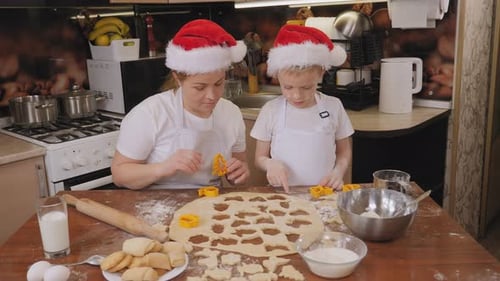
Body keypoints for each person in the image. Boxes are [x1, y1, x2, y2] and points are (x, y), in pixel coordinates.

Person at [111, 19, 250, 190]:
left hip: (210, 202)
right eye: (200, 87)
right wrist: (164, 167)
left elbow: (239, 163)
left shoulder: (231, 113)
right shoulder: (149, 114)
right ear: (177, 78)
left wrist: (239, 171)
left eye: (219, 83)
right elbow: (119, 174)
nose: (211, 96)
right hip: (156, 205)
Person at [250, 24, 353, 193]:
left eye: (306, 88)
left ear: (321, 73)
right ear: (277, 77)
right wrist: (269, 164)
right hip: (283, 195)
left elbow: (344, 151)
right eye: (288, 87)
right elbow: (259, 158)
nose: (297, 96)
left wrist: (338, 171)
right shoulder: (271, 110)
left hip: (324, 193)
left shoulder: (334, 106)